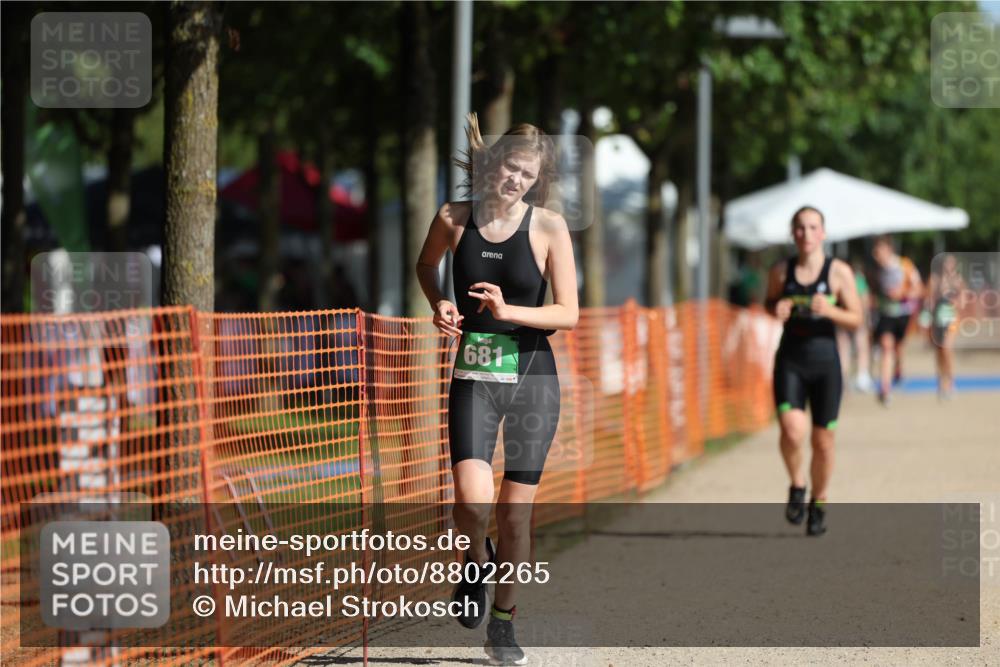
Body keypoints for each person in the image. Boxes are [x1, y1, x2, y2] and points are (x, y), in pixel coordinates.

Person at [415, 113, 578, 665]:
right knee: (470, 501)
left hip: (533, 377)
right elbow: (426, 265)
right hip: (475, 375)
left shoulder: (549, 227)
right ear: (493, 163)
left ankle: (503, 624)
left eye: (528, 175)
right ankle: (473, 562)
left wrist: (511, 312)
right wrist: (439, 300)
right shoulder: (453, 217)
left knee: (514, 515)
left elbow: (569, 312)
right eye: (511, 168)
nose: (516, 181)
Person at [764, 207, 862, 536]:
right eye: (800, 228)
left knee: (822, 441)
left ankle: (819, 501)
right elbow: (768, 302)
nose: (806, 234)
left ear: (823, 233)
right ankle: (797, 484)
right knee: (792, 431)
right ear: (793, 233)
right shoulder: (781, 271)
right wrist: (775, 308)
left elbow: (857, 318)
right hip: (790, 360)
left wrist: (831, 311)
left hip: (825, 365)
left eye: (812, 227)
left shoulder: (839, 272)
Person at [870, 236, 923, 405]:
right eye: (875, 253)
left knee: (898, 348)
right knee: (887, 347)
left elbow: (919, 289)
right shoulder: (876, 270)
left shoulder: (905, 265)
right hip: (885, 314)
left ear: (889, 250)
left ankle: (898, 369)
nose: (877, 256)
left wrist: (902, 294)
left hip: (903, 314)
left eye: (879, 252)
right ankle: (885, 389)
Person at [922, 253, 965, 400]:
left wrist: (956, 302)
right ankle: (941, 382)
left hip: (951, 319)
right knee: (939, 352)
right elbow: (928, 299)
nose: (949, 266)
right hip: (937, 320)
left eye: (952, 263)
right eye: (947, 263)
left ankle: (950, 382)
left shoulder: (958, 280)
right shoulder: (934, 279)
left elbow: (963, 299)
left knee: (947, 349)